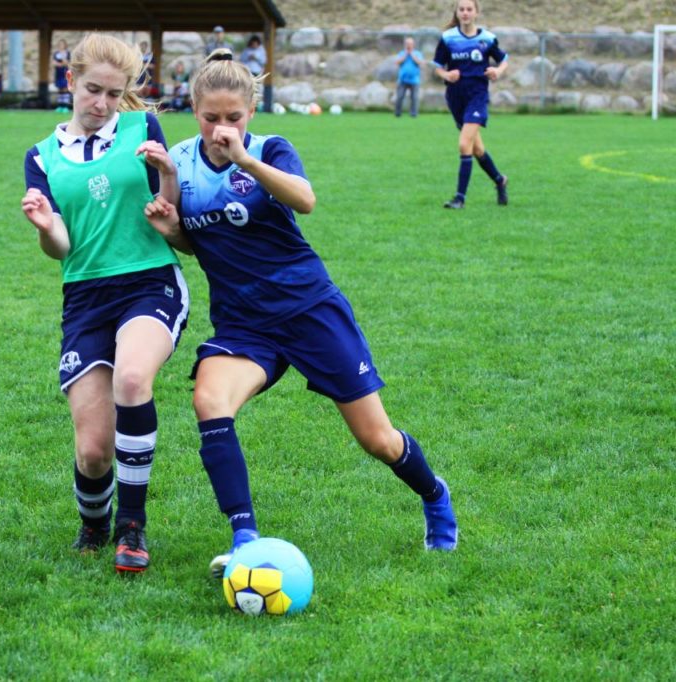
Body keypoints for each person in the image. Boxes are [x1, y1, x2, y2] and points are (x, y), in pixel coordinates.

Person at [144, 49, 458, 576]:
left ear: (251, 113)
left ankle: (434, 495)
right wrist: (170, 225)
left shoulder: (271, 149)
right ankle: (245, 537)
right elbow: (197, 244)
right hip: (245, 324)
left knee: (376, 439)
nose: (223, 127)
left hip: (310, 310)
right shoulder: (180, 163)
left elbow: (305, 200)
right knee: (209, 400)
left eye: (234, 117)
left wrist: (246, 160)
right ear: (194, 110)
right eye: (212, 117)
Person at [20, 33, 189, 574]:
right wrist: (46, 226)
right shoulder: (41, 157)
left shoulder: (143, 129)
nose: (102, 104)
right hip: (86, 295)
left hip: (149, 280)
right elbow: (60, 250)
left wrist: (167, 172)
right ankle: (94, 524)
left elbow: (171, 210)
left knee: (133, 380)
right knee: (94, 450)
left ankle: (132, 527)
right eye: (93, 90)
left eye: (114, 95)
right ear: (70, 81)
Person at [432, 0, 509, 208]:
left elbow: (504, 60)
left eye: (469, 9)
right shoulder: (448, 38)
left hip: (477, 96)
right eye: (461, 9)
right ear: (457, 13)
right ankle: (500, 180)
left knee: (464, 144)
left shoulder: (487, 38)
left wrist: (497, 71)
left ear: (476, 13)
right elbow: (437, 67)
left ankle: (460, 198)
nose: (465, 13)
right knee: (477, 149)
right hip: (456, 98)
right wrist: (447, 74)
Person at [394, 37, 423, 118]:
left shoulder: (417, 53)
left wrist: (412, 54)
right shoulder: (401, 53)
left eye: (410, 44)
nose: (409, 45)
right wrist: (406, 54)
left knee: (414, 98)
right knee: (399, 96)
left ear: (413, 45)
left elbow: (419, 62)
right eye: (407, 44)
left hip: (414, 80)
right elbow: (397, 62)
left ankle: (413, 114)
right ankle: (398, 113)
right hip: (402, 79)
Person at [53, 39, 70, 112]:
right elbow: (54, 63)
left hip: (65, 73)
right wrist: (61, 64)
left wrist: (63, 59)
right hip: (58, 74)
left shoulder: (67, 53)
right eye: (59, 44)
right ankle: (60, 106)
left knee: (65, 89)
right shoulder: (56, 53)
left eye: (62, 44)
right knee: (60, 89)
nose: (61, 46)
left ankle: (65, 106)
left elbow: (67, 63)